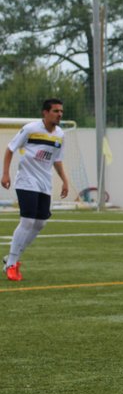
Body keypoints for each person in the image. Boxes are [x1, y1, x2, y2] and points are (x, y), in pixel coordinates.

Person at [1, 98, 70, 282]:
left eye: (61, 111)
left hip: (44, 183)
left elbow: (57, 160)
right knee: (28, 220)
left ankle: (11, 257)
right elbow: (10, 149)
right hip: (26, 181)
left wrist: (65, 181)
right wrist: (5, 174)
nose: (59, 114)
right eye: (56, 111)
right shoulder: (30, 129)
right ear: (45, 113)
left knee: (40, 223)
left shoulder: (60, 135)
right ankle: (11, 264)